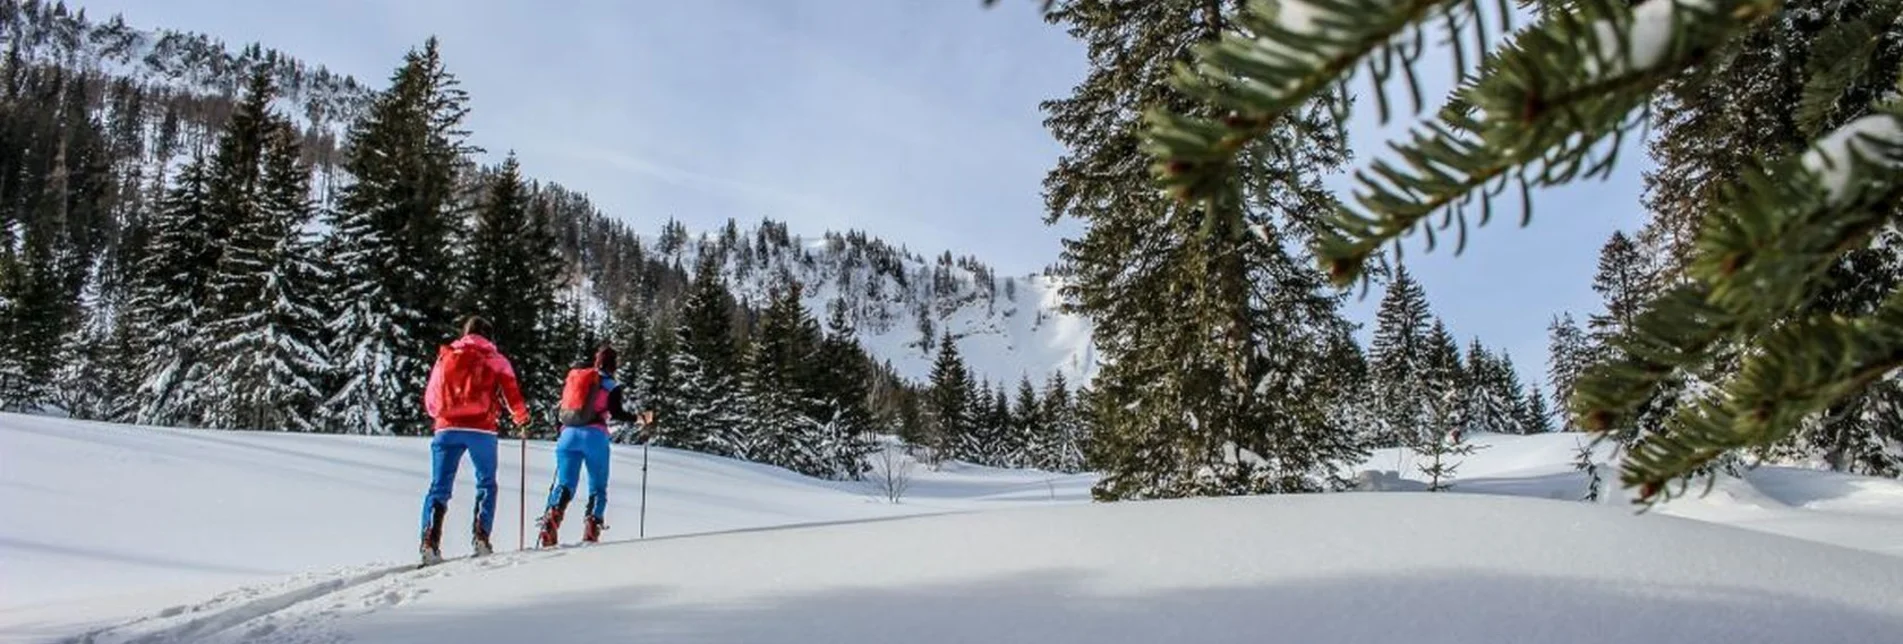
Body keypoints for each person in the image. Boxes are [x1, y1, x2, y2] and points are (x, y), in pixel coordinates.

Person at [419, 315, 530, 565]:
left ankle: (429, 541)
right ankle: (481, 538)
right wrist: (522, 419)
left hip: (446, 428)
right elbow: (512, 394)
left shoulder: (446, 356)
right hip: (482, 429)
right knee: (487, 483)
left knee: (439, 487)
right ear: (489, 336)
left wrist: (442, 416)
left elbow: (431, 397)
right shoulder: (495, 359)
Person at [537, 344, 652, 547]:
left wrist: (562, 432)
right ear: (614, 364)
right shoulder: (610, 384)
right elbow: (616, 412)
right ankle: (592, 527)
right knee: (597, 487)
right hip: (594, 437)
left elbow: (561, 409)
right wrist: (639, 419)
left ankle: (550, 521)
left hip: (567, 435)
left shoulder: (577, 379)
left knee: (564, 484)